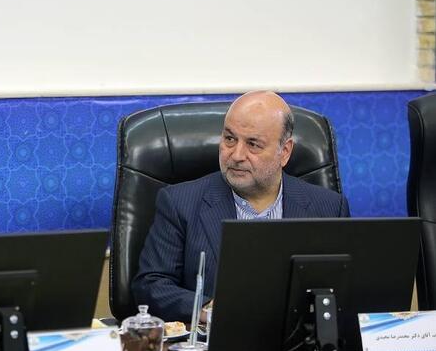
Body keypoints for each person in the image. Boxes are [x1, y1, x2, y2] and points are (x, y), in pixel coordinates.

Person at [132, 91, 350, 322]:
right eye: (229, 139)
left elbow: (344, 290)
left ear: (284, 152)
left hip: (297, 340)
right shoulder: (179, 203)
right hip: (214, 340)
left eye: (253, 144)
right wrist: (210, 309)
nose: (236, 155)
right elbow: (151, 285)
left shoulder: (328, 208)